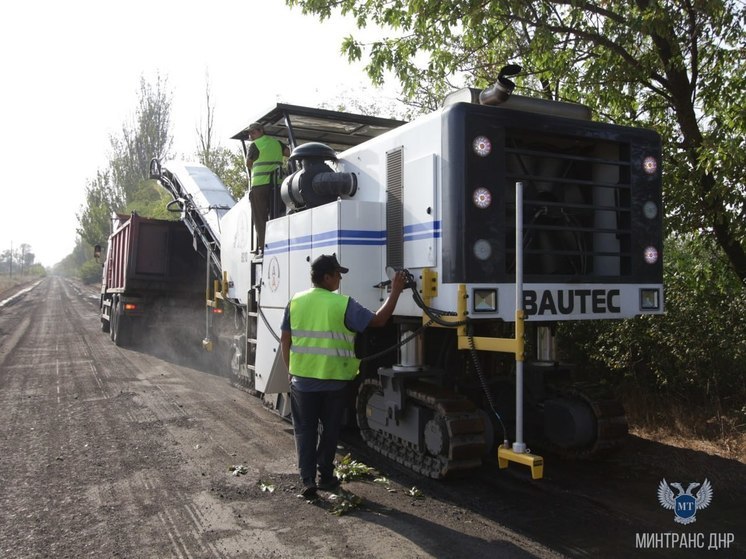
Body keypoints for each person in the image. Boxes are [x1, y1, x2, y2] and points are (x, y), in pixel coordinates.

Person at [280, 254, 406, 498]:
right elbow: (379, 321)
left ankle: (307, 481)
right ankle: (325, 477)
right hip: (335, 382)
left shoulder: (295, 301)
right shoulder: (343, 304)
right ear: (326, 277)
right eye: (337, 274)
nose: (340, 278)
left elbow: (286, 340)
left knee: (305, 431)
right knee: (330, 431)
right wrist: (396, 291)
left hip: (303, 382)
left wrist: (290, 371)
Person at [245, 122, 290, 253]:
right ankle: (278, 240)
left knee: (260, 217)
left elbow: (249, 163)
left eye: (253, 132)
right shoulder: (277, 143)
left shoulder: (255, 145)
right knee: (277, 213)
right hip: (277, 184)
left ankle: (264, 246)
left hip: (260, 185)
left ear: (261, 131)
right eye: (250, 133)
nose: (250, 135)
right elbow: (289, 153)